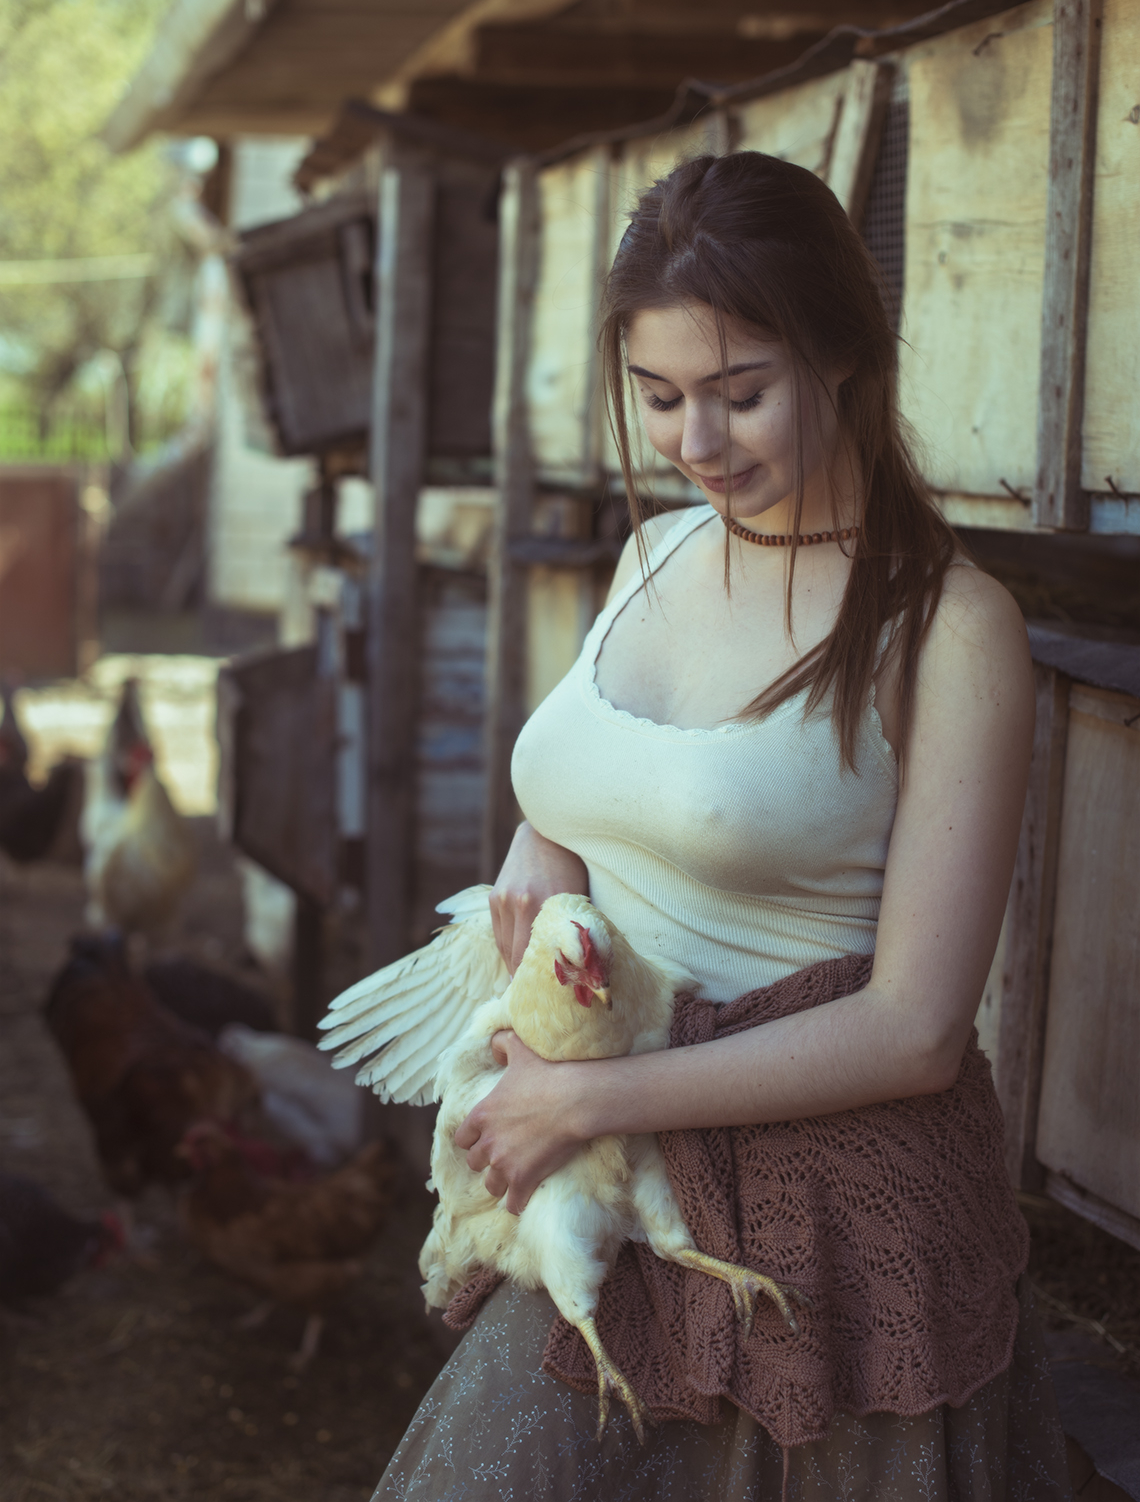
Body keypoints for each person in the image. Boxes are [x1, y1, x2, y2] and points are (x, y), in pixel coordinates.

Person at [374, 152, 1071, 1499]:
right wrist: (548, 838)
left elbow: (918, 1029)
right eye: (659, 398)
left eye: (742, 393)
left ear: (846, 360)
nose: (697, 444)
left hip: (832, 1231)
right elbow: (614, 778)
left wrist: (581, 1095)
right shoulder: (656, 554)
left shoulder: (950, 627)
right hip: (629, 1178)